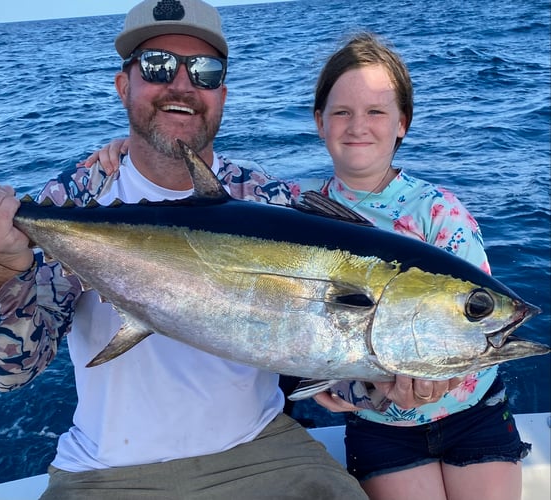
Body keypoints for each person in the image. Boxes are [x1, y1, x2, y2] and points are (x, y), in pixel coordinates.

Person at [0, 0, 368, 498]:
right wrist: (3, 261)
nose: (181, 84)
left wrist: (390, 380)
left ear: (221, 94)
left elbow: (330, 345)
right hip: (107, 472)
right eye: (158, 65)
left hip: (264, 450)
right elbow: (9, 373)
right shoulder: (74, 199)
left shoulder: (268, 200)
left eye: (204, 71)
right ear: (125, 85)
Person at [87, 32, 532, 500]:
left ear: (403, 122)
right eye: (342, 112)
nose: (358, 125)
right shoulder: (293, 206)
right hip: (383, 430)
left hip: (471, 415)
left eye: (377, 111)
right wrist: (130, 146)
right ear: (319, 122)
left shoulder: (441, 214)